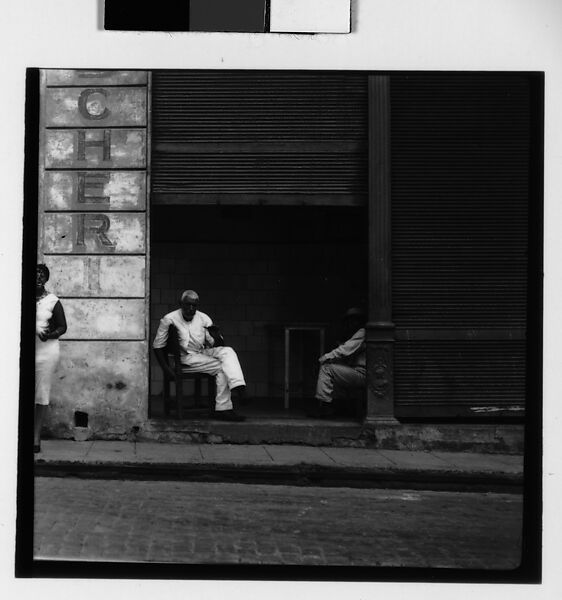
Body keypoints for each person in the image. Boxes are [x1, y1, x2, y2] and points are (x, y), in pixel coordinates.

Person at [152, 290, 247, 421]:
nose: (191, 309)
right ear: (181, 303)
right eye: (187, 305)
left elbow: (216, 344)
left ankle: (239, 387)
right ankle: (223, 409)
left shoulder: (203, 318)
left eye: (194, 306)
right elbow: (157, 345)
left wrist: (216, 336)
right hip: (182, 359)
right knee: (223, 367)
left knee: (228, 351)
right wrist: (166, 369)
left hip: (200, 353)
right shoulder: (169, 319)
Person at [308, 307, 366, 418]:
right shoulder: (357, 334)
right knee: (333, 371)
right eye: (349, 321)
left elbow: (345, 349)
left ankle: (324, 407)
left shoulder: (363, 332)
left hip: (362, 374)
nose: (351, 323)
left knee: (327, 368)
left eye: (353, 320)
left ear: (359, 321)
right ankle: (338, 407)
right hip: (359, 372)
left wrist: (325, 357)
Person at [35, 263, 67, 452]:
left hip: (46, 351)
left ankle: (35, 437)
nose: (38, 278)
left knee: (41, 393)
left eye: (42, 275)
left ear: (46, 279)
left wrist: (50, 334)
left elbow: (63, 327)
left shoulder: (52, 300)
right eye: (35, 274)